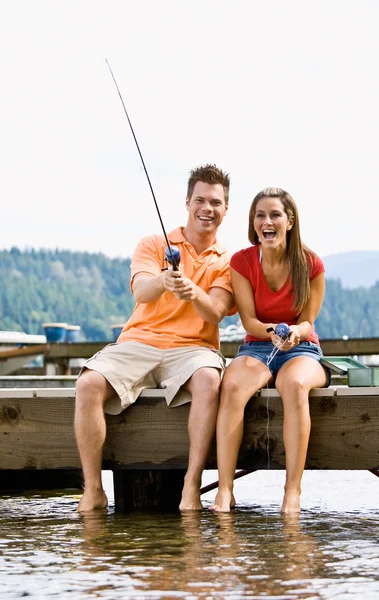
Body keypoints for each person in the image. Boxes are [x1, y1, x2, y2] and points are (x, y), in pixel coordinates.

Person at [75, 164, 235, 512]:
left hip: (194, 349)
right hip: (139, 342)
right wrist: (166, 279)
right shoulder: (153, 243)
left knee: (210, 380)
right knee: (87, 384)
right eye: (200, 200)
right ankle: (93, 490)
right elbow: (142, 292)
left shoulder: (228, 262)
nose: (207, 208)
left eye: (216, 202)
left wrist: (192, 291)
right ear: (187, 202)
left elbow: (216, 311)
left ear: (226, 209)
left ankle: (191, 487)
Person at [210, 187, 330, 514]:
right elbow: (248, 321)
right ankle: (224, 490)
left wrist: (293, 333)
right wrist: (271, 333)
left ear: (289, 222)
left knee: (292, 385)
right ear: (253, 223)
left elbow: (307, 322)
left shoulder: (311, 264)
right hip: (257, 345)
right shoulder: (241, 261)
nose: (267, 221)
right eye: (260, 215)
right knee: (232, 387)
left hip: (300, 348)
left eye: (275, 214)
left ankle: (292, 493)